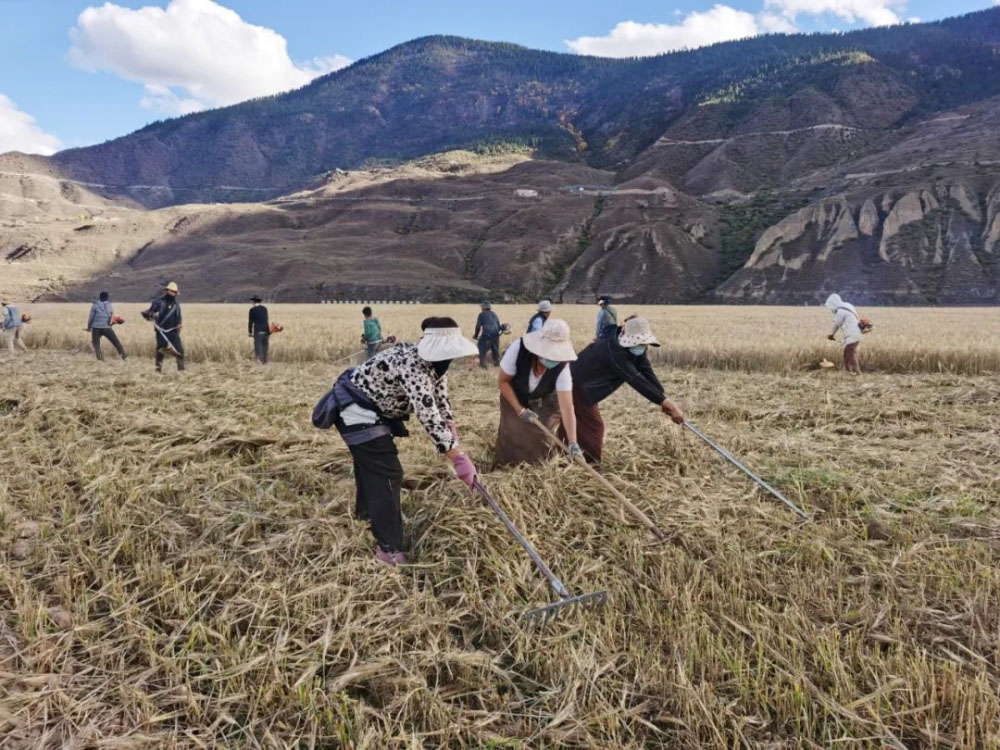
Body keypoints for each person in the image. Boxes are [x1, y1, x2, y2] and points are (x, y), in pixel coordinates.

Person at [323, 317, 480, 565]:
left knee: (370, 465)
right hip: (355, 410)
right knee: (387, 472)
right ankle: (388, 549)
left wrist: (450, 426)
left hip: (376, 412)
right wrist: (457, 457)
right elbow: (427, 414)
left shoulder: (438, 364)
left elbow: (440, 399)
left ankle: (367, 515)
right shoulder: (412, 364)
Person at [569, 316, 685, 465]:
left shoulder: (635, 346)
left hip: (587, 385)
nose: (641, 347)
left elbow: (645, 370)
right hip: (576, 384)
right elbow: (635, 379)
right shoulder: (615, 352)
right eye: (638, 343)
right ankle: (591, 467)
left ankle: (563, 455)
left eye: (643, 343)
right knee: (594, 426)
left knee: (575, 422)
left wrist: (662, 396)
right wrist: (665, 402)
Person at [495, 318, 581, 466]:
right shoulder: (519, 349)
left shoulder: (562, 367)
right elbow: (503, 381)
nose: (552, 359)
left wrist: (573, 442)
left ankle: (537, 466)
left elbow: (567, 407)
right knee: (512, 430)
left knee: (542, 434)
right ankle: (507, 465)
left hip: (544, 395)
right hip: (514, 392)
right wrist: (519, 410)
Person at [142, 281, 184, 373]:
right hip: (161, 331)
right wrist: (153, 315)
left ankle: (181, 372)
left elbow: (178, 317)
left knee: (180, 351)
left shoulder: (177, 305)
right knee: (160, 351)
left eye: (175, 292)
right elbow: (147, 314)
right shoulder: (158, 302)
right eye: (172, 291)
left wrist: (179, 324)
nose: (174, 293)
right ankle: (158, 371)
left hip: (173, 332)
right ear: (168, 291)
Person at [825, 293, 862, 375]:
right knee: (847, 353)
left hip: (852, 335)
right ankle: (848, 371)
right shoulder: (848, 306)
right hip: (856, 333)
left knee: (851, 353)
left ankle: (857, 372)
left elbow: (836, 324)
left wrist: (831, 335)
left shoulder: (841, 310)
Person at [86, 291, 127, 361]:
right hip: (107, 328)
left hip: (96, 328)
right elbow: (110, 317)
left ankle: (101, 360)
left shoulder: (95, 305)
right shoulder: (109, 305)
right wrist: (112, 323)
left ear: (100, 297)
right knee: (116, 342)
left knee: (96, 345)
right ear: (107, 297)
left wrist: (89, 327)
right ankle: (124, 357)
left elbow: (91, 317)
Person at [474, 301, 502, 369]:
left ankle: (483, 366)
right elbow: (498, 326)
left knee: (481, 349)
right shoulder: (494, 314)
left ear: (483, 308)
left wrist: (476, 335)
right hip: (496, 335)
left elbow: (478, 326)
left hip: (487, 335)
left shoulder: (481, 314)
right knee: (495, 350)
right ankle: (497, 364)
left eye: (481, 307)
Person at [248, 295, 270, 364]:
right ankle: (265, 361)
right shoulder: (265, 309)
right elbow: (266, 319)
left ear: (254, 302)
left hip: (258, 331)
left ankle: (260, 363)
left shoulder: (252, 310)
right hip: (266, 330)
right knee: (265, 347)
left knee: (258, 347)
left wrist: (250, 332)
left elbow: (250, 321)